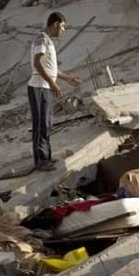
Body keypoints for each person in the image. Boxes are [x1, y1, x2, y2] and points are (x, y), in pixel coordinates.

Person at [27, 12, 82, 172]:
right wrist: (52, 83)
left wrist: (68, 79)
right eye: (63, 26)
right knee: (41, 124)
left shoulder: (48, 42)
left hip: (45, 87)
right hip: (38, 87)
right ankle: (41, 162)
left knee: (47, 123)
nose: (63, 30)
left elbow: (52, 69)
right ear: (56, 23)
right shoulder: (41, 39)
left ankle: (47, 158)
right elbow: (37, 64)